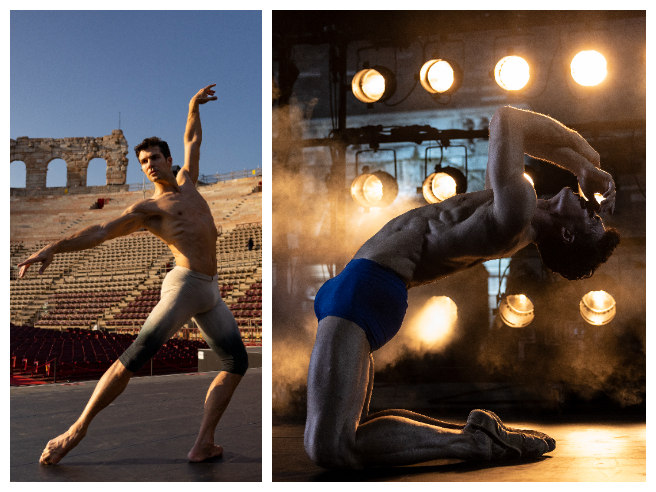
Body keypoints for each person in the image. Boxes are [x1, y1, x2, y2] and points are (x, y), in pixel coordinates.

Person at [305, 106, 620, 469]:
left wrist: (584, 155)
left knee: (330, 446)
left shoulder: (517, 209)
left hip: (367, 288)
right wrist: (583, 164)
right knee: (345, 433)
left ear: (567, 234)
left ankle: (473, 442)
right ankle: (477, 437)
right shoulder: (510, 205)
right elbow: (523, 138)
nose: (591, 207)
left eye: (592, 220)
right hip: (356, 283)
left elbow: (507, 119)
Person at [18, 84, 249, 465]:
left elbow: (192, 136)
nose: (149, 164)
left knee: (237, 362)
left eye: (154, 157)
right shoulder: (150, 208)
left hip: (210, 290)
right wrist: (56, 247)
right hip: (185, 285)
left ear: (168, 158)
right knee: (137, 354)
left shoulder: (189, 181)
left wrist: (193, 104)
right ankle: (75, 430)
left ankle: (203, 443)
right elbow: (101, 231)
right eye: (143, 161)